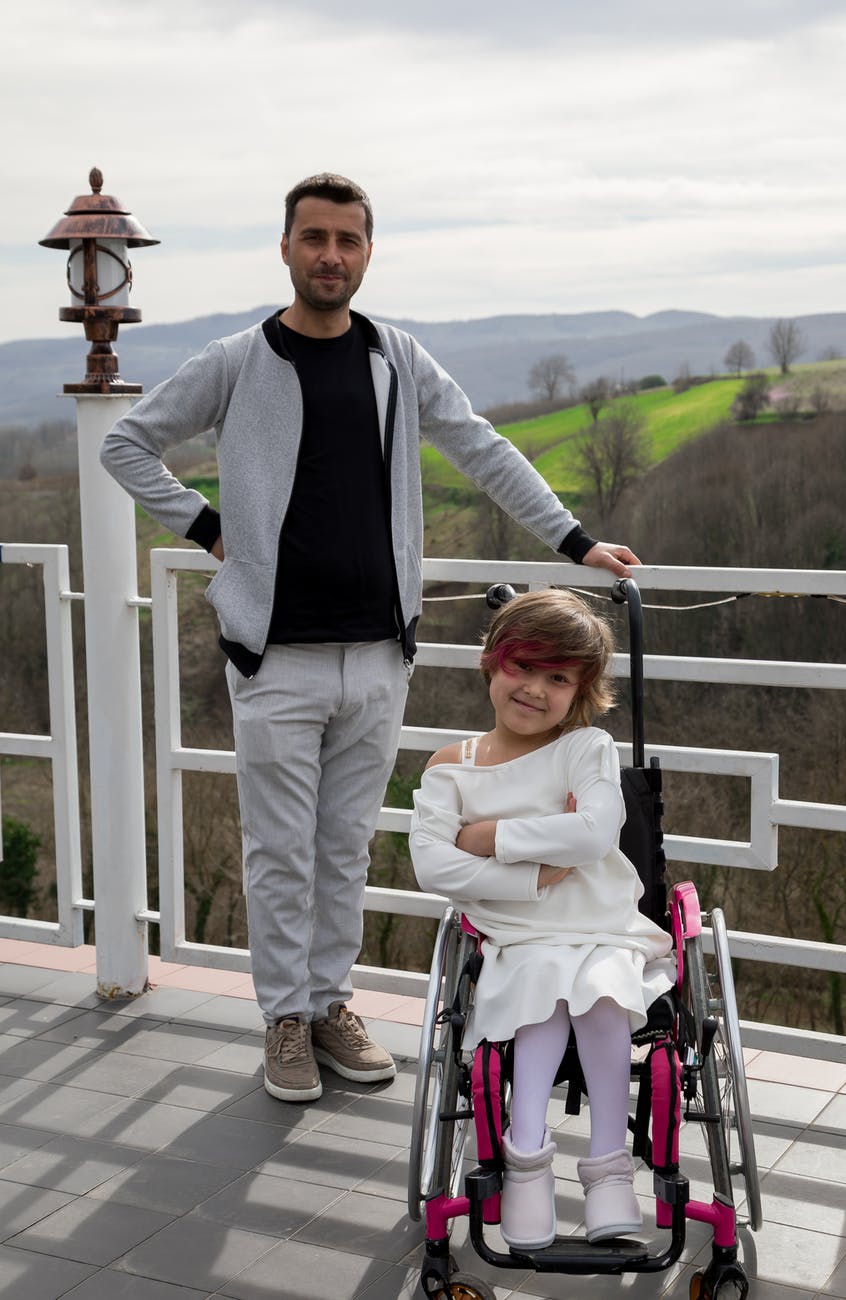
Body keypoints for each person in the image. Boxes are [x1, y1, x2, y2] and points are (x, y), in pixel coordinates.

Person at [100, 172, 641, 1106]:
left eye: (347, 241)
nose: (330, 256)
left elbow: (478, 444)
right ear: (285, 248)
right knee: (279, 849)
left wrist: (572, 539)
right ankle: (282, 1018)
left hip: (379, 654)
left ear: (366, 252)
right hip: (276, 658)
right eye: (314, 239)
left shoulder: (395, 357)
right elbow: (127, 444)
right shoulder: (237, 359)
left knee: (344, 845)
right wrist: (206, 527)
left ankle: (327, 1005)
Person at [409, 588, 674, 1248]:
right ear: (490, 664)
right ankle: (525, 1163)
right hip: (516, 933)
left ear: (579, 689)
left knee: (602, 992)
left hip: (600, 922)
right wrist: (529, 875)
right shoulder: (451, 766)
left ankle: (608, 1168)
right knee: (541, 996)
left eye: (556, 677)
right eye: (521, 666)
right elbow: (433, 870)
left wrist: (489, 835)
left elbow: (591, 837)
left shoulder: (584, 747)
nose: (533, 688)